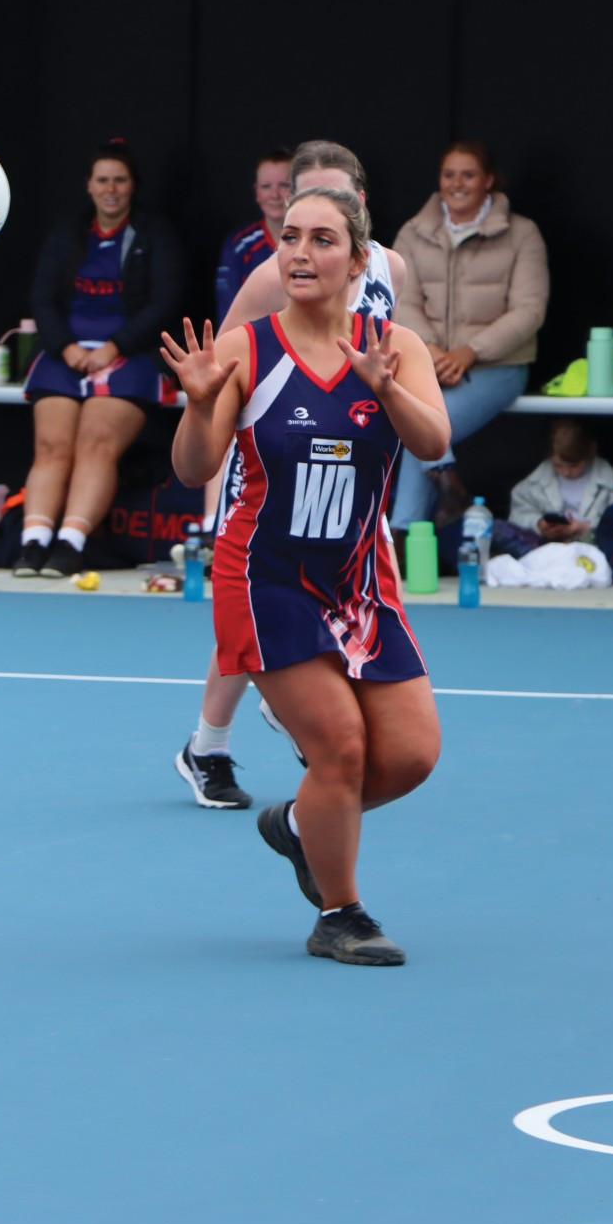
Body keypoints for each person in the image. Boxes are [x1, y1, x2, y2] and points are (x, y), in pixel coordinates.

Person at [162, 186, 448, 966]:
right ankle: (340, 913)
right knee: (342, 748)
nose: (299, 252)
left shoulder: (395, 347)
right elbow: (196, 467)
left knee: (412, 754)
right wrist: (195, 407)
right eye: (289, 237)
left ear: (359, 261)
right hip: (266, 579)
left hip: (359, 585)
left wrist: (385, 387)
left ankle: (296, 825)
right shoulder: (244, 350)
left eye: (323, 240)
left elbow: (433, 441)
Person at [174, 140, 408, 810]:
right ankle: (208, 745)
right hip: (273, 469)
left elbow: (389, 364)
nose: (309, 226)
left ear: (361, 205)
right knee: (254, 610)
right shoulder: (277, 279)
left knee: (357, 599)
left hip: (350, 480)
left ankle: (303, 701)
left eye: (336, 201)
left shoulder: (389, 267)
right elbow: (225, 373)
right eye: (300, 209)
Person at [13, 139, 185, 579]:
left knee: (96, 442)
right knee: (52, 445)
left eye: (120, 180)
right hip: (66, 353)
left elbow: (164, 302)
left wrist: (116, 346)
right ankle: (33, 542)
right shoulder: (68, 232)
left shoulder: (153, 232)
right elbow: (42, 297)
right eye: (103, 180)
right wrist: (64, 346)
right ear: (89, 186)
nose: (111, 189)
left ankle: (70, 544)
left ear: (132, 186)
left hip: (128, 354)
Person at [388, 139, 549, 528]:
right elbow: (399, 298)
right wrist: (429, 350)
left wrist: (469, 352)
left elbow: (529, 310)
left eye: (468, 174)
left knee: (422, 427)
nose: (457, 183)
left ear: (488, 180)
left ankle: (402, 534)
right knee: (418, 426)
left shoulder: (522, 234)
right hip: (426, 365)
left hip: (498, 366)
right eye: (448, 174)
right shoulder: (413, 232)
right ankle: (428, 507)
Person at [509, 419, 613, 545]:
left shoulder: (611, 481)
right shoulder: (536, 482)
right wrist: (538, 524)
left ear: (591, 450)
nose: (566, 472)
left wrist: (586, 526)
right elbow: (518, 513)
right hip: (548, 549)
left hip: (598, 547)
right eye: (558, 465)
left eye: (574, 465)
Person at [213, 148, 293, 326]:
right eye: (266, 186)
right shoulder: (239, 245)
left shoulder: (316, 243)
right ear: (256, 192)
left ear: (299, 189)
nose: (275, 195)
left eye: (284, 185)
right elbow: (228, 313)